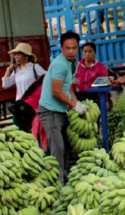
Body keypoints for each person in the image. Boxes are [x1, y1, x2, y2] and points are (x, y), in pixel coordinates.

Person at [38, 31, 89, 185]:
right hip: (50, 111)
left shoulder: (72, 63)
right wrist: (74, 105)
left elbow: (67, 88)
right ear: (61, 48)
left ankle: (65, 176)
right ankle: (56, 184)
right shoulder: (60, 64)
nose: (71, 51)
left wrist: (76, 102)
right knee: (57, 148)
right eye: (67, 48)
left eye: (74, 48)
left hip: (60, 110)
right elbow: (56, 91)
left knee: (66, 147)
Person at [2, 43, 47, 132]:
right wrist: (8, 70)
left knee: (32, 131)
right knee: (20, 133)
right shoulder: (17, 70)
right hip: (19, 105)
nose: (16, 57)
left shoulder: (34, 67)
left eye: (18, 54)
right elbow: (5, 85)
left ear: (26, 56)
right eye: (15, 55)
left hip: (31, 106)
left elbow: (48, 78)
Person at [20, 75, 48, 151]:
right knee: (35, 143)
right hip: (27, 115)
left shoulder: (38, 82)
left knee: (22, 141)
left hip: (19, 111)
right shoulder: (48, 86)